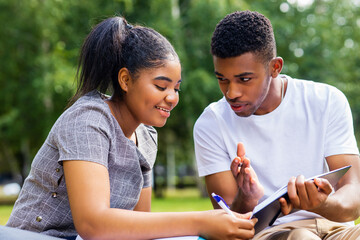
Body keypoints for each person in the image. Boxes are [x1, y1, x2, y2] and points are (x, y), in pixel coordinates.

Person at [6, 16, 257, 240]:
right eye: (161, 86)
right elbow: (93, 225)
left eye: (176, 88)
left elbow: (139, 228)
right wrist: (200, 221)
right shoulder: (88, 120)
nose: (172, 97)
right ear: (125, 80)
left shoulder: (146, 137)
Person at [193, 10, 360, 240]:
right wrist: (247, 198)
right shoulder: (211, 123)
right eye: (222, 79)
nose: (231, 93)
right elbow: (228, 226)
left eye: (244, 79)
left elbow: (354, 196)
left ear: (275, 67)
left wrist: (321, 204)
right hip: (274, 233)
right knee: (301, 238)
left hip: (338, 229)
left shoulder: (327, 100)